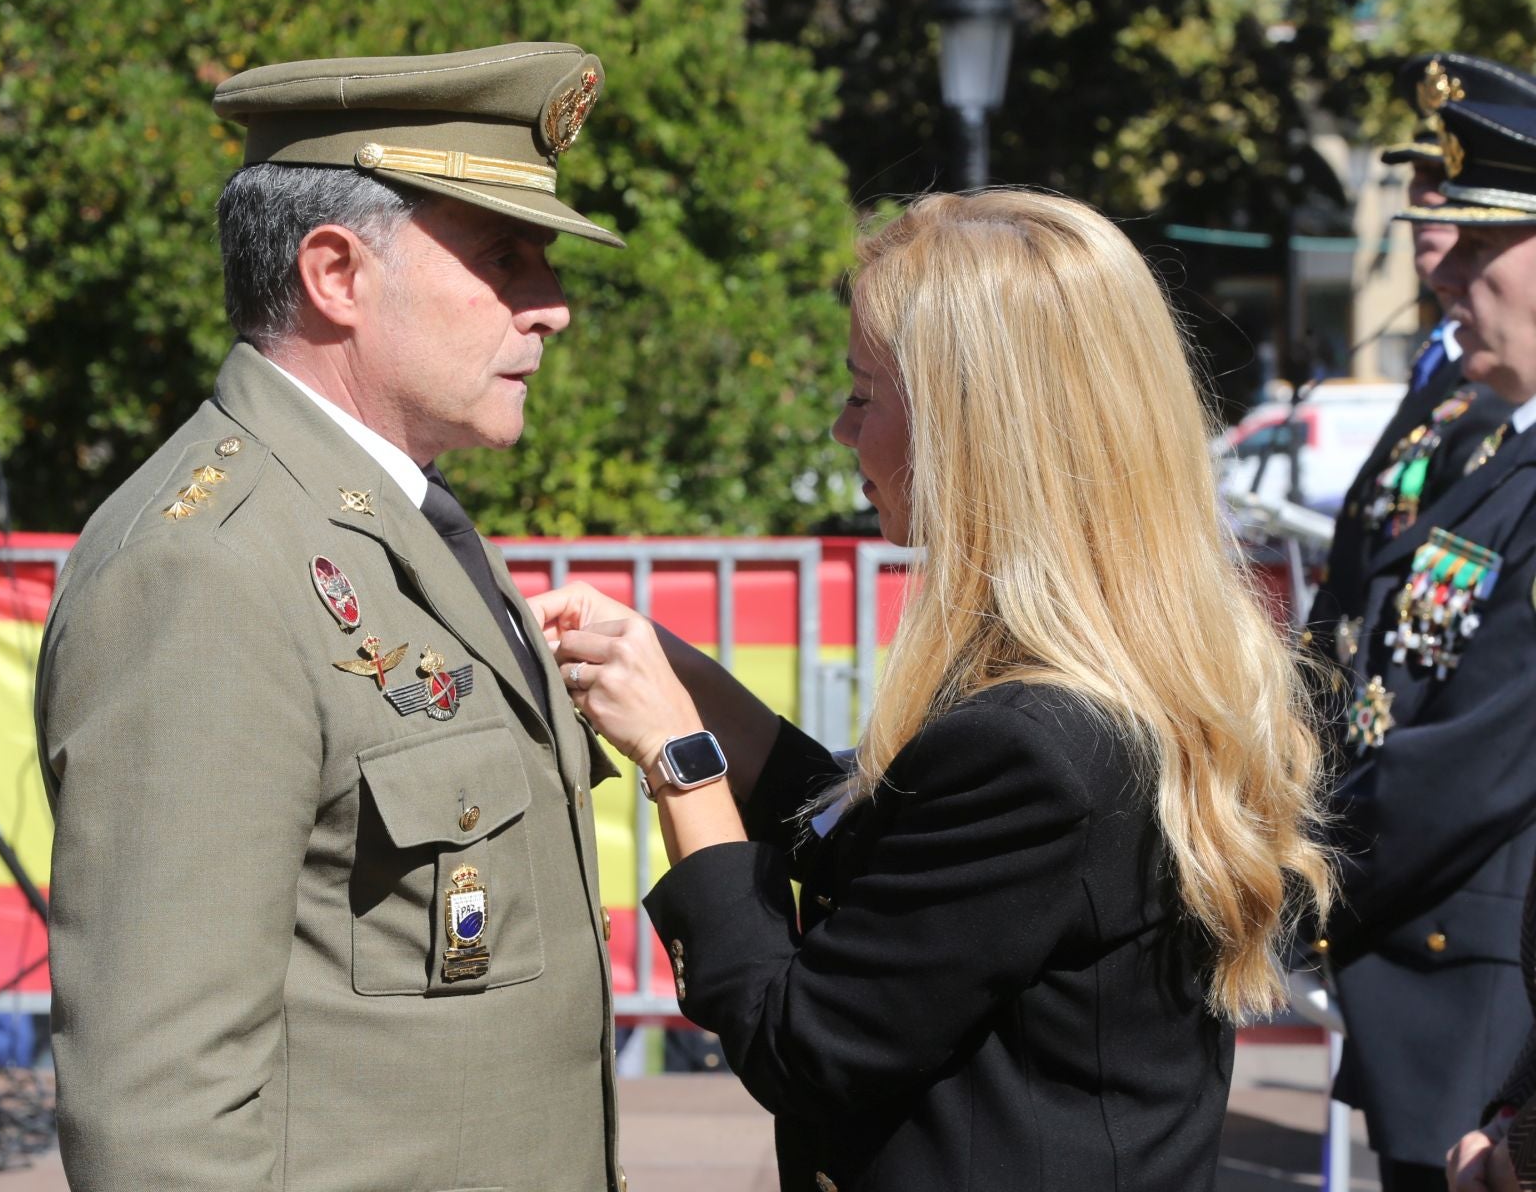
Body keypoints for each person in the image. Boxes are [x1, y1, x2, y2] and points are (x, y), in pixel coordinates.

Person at [530, 190, 1335, 1191]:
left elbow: (803, 1045)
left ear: (975, 429)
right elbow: (895, 857)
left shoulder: (1039, 740)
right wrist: (694, 686)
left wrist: (679, 760)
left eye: (864, 394)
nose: (839, 427)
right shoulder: (1096, 686)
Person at [36, 43, 627, 1191]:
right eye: (505, 259)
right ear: (336, 274)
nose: (550, 308)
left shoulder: (386, 520)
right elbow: (159, 1109)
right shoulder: (205, 568)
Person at [1298, 91, 1536, 1192]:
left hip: (1483, 987)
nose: (1445, 273)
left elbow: (1476, 753)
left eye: (1484, 244)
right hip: (1432, 972)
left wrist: (1294, 873)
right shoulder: (1501, 449)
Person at [1301, 53, 1525, 698]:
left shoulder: (1501, 377)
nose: (1427, 199)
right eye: (1421, 173)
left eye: (1447, 175)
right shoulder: (1448, 358)